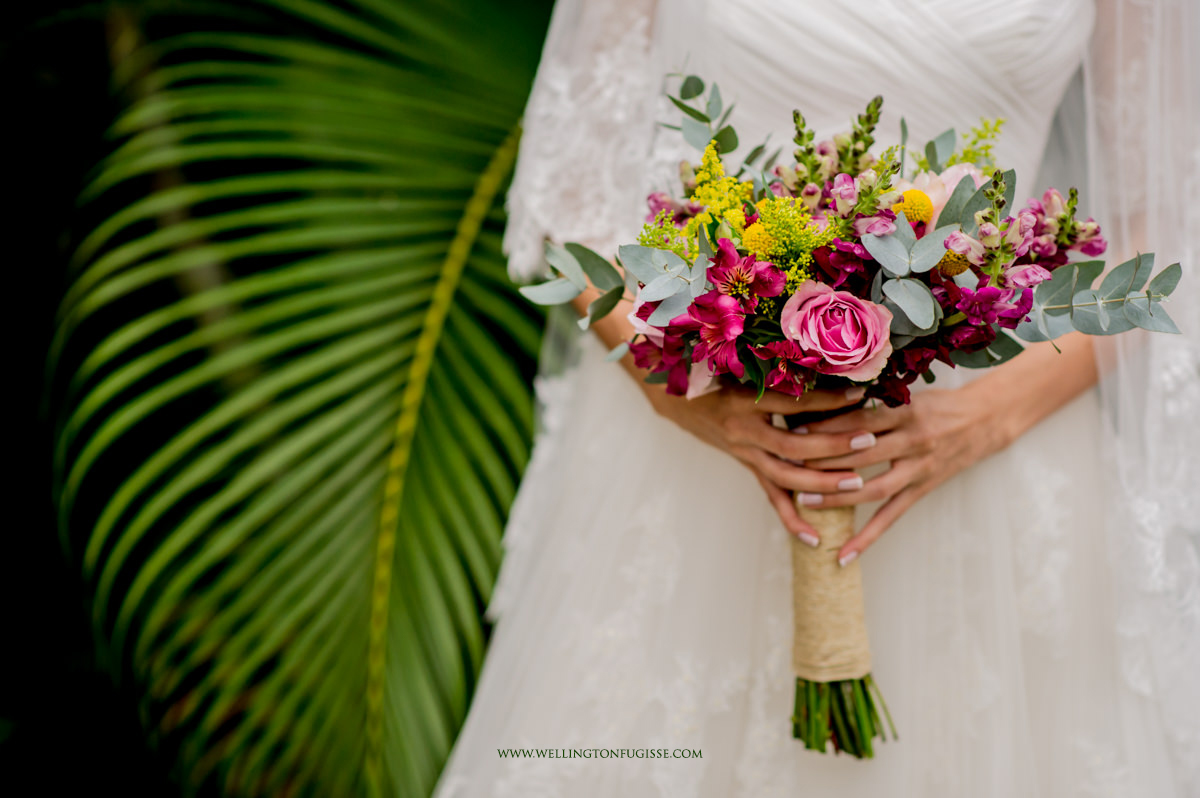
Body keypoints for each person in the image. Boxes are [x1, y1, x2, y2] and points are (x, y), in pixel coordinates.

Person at [433, 1, 1200, 795]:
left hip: (994, 452)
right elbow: (572, 193)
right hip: (697, 427)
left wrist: (990, 412)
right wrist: (681, 395)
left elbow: (1172, 217)